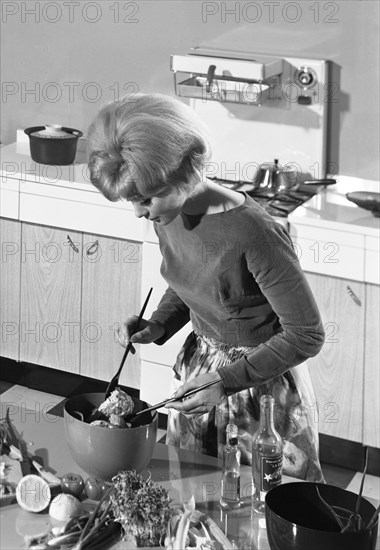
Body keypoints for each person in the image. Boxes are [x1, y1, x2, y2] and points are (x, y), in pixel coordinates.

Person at [87, 93, 326, 482]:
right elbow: (188, 281)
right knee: (197, 490)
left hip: (257, 386)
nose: (138, 212)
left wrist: (226, 380)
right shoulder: (168, 213)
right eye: (132, 200)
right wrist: (159, 325)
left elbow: (307, 334)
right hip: (199, 372)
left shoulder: (256, 232)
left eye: (144, 199)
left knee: (261, 506)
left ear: (183, 172)